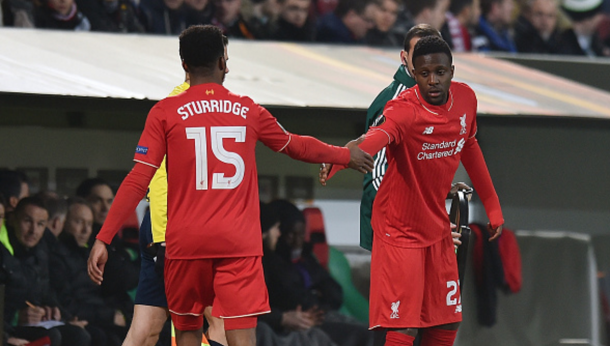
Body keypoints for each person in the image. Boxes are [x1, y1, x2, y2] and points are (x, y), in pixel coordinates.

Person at [87, 24, 373, 346]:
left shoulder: (164, 112)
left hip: (186, 245)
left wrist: (103, 237)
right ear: (224, 62)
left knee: (188, 333)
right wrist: (343, 155)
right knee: (240, 336)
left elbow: (138, 178)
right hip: (237, 245)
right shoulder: (247, 109)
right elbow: (295, 145)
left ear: (184, 65)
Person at [320, 36, 504, 346]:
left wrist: (493, 207)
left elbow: (469, 145)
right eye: (424, 73)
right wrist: (340, 159)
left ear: (452, 71)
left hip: (435, 227)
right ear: (414, 73)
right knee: (404, 325)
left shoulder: (466, 100)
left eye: (441, 72)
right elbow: (378, 136)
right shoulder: (404, 109)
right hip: (399, 229)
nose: (433, 80)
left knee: (446, 321)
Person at [121, 75, 224, 346]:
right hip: (181, 229)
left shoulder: (168, 106)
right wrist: (168, 235)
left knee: (144, 332)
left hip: (158, 226)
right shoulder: (199, 109)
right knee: (220, 321)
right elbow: (161, 175)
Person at [0, 197, 93, 346]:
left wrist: (58, 313)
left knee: (80, 335)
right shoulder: (5, 252)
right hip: (8, 325)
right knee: (52, 336)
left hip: (33, 323)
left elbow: (45, 292)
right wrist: (16, 317)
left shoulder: (41, 251)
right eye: (27, 221)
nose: (33, 231)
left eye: (40, 224)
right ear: (12, 220)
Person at [257, 201, 337, 346]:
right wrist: (281, 318)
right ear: (265, 230)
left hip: (306, 317)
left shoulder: (306, 258)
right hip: (279, 324)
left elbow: (333, 290)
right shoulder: (266, 262)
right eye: (276, 228)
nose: (278, 233)